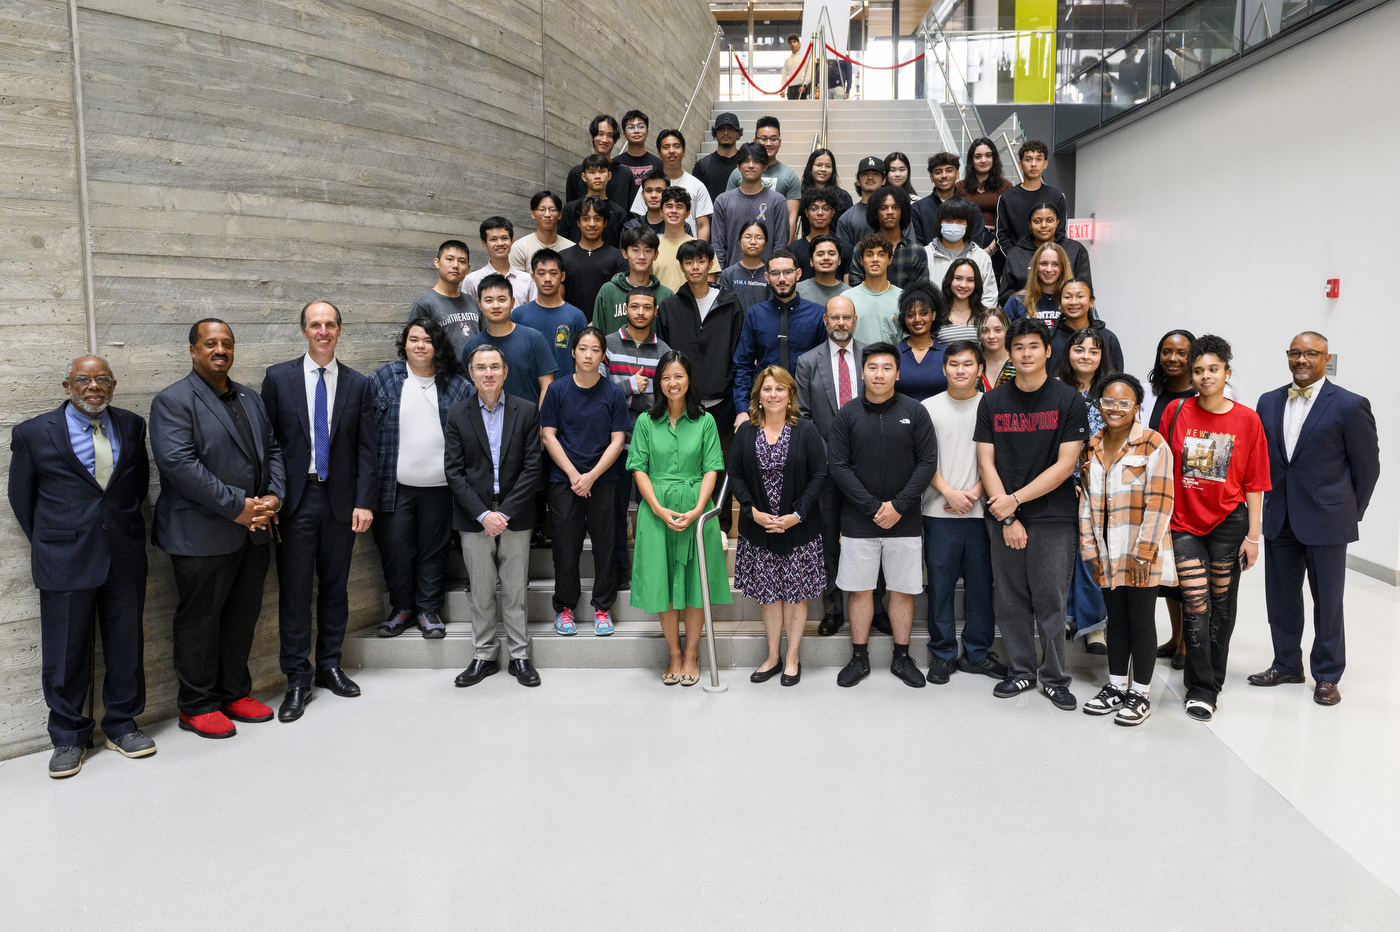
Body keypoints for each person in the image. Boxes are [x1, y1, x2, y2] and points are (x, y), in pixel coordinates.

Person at [8, 356, 153, 776]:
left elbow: (136, 487)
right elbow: (22, 499)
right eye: (84, 380)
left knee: (126, 645)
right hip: (63, 558)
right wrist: (57, 539)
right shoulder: (34, 433)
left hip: (123, 553)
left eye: (103, 379)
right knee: (65, 651)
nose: (94, 386)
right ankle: (69, 737)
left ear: (113, 385)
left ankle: (123, 725)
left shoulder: (131, 425)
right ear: (66, 385)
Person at [150, 319, 285, 738]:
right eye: (210, 344)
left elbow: (274, 449)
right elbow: (179, 465)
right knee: (200, 621)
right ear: (193, 350)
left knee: (242, 616)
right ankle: (196, 705)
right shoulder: (172, 401)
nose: (220, 350)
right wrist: (237, 507)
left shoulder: (250, 397)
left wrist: (275, 496)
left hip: (256, 529)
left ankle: (233, 692)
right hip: (201, 534)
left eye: (227, 343)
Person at [260, 301, 378, 723]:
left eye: (330, 324)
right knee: (294, 591)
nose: (323, 331)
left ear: (340, 331)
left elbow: (367, 449)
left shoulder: (358, 384)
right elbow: (268, 446)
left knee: (335, 587)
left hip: (342, 502)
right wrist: (272, 497)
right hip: (295, 501)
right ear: (304, 331)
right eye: (315, 325)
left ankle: (329, 665)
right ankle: (296, 678)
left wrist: (365, 501)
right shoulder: (278, 378)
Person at [1249, 332, 1379, 706]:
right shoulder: (1269, 400)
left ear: (1326, 358)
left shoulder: (1350, 405)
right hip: (1280, 517)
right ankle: (1286, 663)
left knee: (1328, 601)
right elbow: (1264, 461)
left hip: (1327, 520)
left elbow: (1367, 467)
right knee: (1281, 598)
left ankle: (1327, 674)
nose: (1301, 360)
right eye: (1295, 353)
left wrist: (1349, 513)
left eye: (1310, 353)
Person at [975, 318, 1089, 711]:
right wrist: (1007, 517)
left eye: (1033, 346)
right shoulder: (991, 401)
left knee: (1051, 600)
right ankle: (1021, 669)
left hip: (1053, 516)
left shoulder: (1068, 400)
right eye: (1018, 347)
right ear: (1009, 352)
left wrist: (1015, 502)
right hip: (1003, 515)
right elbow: (986, 463)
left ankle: (1055, 677)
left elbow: (1065, 464)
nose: (1026, 353)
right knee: (1009, 598)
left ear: (1047, 351)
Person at [1159, 334, 1270, 722]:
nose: (1206, 376)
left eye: (1213, 370)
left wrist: (1254, 536)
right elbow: (1162, 470)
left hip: (1229, 523)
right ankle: (1199, 687)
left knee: (1222, 606)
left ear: (1227, 372)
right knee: (1195, 603)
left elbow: (1255, 482)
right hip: (1184, 523)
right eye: (1199, 370)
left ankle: (1212, 682)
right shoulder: (1175, 411)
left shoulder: (1247, 419)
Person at [828, 342, 939, 688]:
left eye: (887, 368)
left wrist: (899, 504)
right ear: (862, 372)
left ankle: (901, 658)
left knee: (903, 591)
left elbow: (927, 462)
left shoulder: (915, 411)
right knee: (859, 591)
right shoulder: (847, 414)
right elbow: (839, 466)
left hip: (904, 521)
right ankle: (859, 658)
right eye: (873, 367)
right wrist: (874, 507)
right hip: (859, 522)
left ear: (897, 372)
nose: (879, 374)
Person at [627, 351, 731, 686]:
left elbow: (712, 468)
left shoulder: (705, 421)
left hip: (696, 510)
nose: (673, 383)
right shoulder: (645, 421)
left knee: (694, 586)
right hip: (656, 511)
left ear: (689, 381)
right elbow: (639, 469)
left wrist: (700, 508)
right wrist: (657, 508)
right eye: (667, 377)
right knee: (663, 584)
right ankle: (674, 652)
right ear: (659, 382)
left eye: (679, 376)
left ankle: (692, 654)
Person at [1079, 374, 1176, 726]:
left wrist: (1143, 553)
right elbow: (1086, 504)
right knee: (1115, 620)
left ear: (1136, 407)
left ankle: (1140, 693)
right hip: (1106, 551)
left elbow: (1161, 502)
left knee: (1140, 620)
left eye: (1124, 403)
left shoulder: (1152, 445)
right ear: (1098, 404)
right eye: (1108, 402)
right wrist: (1090, 550)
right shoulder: (1090, 447)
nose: (1114, 409)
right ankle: (1117, 686)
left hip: (1139, 553)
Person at [444, 344, 544, 688]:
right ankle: (484, 655)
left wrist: (506, 512)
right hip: (474, 516)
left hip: (516, 512)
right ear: (470, 373)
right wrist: (484, 514)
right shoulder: (457, 414)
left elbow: (533, 468)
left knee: (515, 589)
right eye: (481, 367)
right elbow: (454, 472)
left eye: (494, 367)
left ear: (505, 372)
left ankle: (519, 656)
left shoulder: (527, 411)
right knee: (482, 590)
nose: (488, 373)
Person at [368, 318, 472, 641]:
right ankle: (401, 608)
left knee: (434, 550)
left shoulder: (457, 385)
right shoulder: (384, 379)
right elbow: (365, 433)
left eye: (427, 340)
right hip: (393, 487)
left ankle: (428, 610)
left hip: (442, 488)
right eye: (414, 339)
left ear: (437, 344)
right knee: (395, 548)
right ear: (405, 344)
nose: (420, 345)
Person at [1139, 329, 1232, 668]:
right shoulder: (1152, 395)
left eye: (1182, 352)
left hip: (1200, 503)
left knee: (1195, 581)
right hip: (1164, 498)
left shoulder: (1212, 396)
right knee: (1170, 577)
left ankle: (1192, 647)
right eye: (1166, 351)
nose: (1173, 358)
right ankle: (1178, 637)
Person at [732, 366, 827, 686]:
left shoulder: (807, 430)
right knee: (769, 596)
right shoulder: (746, 431)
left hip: (798, 529)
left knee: (796, 595)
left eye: (780, 389)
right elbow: (736, 475)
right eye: (767, 389)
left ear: (790, 395)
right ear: (758, 395)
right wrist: (752, 511)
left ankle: (792, 657)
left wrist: (797, 515)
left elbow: (819, 475)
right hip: (759, 529)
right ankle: (772, 656)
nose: (773, 395)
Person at [920, 341, 1006, 683]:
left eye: (967, 364)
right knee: (940, 587)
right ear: (943, 370)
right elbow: (922, 459)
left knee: (981, 586)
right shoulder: (927, 408)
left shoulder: (994, 405)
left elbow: (1000, 459)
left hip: (982, 511)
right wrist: (950, 493)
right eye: (953, 364)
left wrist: (973, 493)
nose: (960, 370)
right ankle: (942, 654)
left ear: (980, 369)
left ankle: (977, 653)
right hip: (938, 510)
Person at [540, 327, 630, 637]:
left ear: (602, 356)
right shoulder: (557, 391)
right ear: (573, 353)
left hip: (604, 480)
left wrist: (592, 475)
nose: (588, 354)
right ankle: (564, 608)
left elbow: (618, 440)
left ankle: (603, 608)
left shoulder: (614, 393)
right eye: (583, 348)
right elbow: (548, 435)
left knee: (605, 545)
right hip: (564, 481)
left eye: (595, 349)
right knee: (566, 547)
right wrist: (574, 475)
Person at [656, 241, 746, 535]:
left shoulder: (731, 303)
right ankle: (681, 518)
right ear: (681, 266)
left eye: (701, 261)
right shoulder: (670, 305)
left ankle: (718, 525)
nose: (695, 267)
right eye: (689, 262)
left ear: (710, 265)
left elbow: (739, 353)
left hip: (723, 401)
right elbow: (665, 355)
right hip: (681, 401)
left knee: (718, 466)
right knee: (686, 463)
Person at [794, 296, 864, 637]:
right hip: (826, 471)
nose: (840, 323)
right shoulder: (808, 362)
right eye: (834, 317)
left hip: (868, 470)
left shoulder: (872, 357)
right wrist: (832, 460)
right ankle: (834, 608)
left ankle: (875, 605)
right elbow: (804, 417)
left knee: (869, 538)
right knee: (829, 542)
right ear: (825, 320)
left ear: (855, 319)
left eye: (846, 317)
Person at [604, 287, 672, 588]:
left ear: (655, 311)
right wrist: (629, 385)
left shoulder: (665, 352)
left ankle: (653, 572)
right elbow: (598, 393)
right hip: (614, 444)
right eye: (635, 306)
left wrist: (635, 396)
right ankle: (619, 573)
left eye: (647, 307)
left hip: (651, 444)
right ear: (626, 309)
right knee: (616, 512)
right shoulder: (606, 345)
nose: (640, 312)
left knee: (654, 510)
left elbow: (666, 398)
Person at [1054, 326, 1115, 653]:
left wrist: (1092, 482)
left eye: (1093, 351)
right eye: (1079, 350)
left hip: (1098, 487)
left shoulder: (1111, 393)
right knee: (1063, 553)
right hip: (1059, 484)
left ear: (1102, 355)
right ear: (1069, 353)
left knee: (1092, 553)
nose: (1086, 356)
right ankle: (1063, 614)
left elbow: (1117, 440)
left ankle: (1094, 626)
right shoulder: (1054, 389)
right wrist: (1067, 480)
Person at [732, 249, 827, 426]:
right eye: (775, 273)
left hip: (807, 409)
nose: (782, 279)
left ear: (798, 274)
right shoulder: (755, 314)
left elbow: (825, 367)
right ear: (767, 277)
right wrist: (742, 410)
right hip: (765, 406)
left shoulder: (817, 314)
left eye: (788, 272)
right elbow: (743, 365)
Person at [464, 275, 557, 405]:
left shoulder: (534, 339)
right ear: (479, 304)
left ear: (512, 302)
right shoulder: (472, 347)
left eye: (502, 299)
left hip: (529, 423)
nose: (496, 306)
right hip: (487, 422)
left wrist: (540, 422)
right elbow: (472, 391)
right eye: (489, 300)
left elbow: (547, 386)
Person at [511, 248, 590, 378]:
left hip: (565, 390)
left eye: (553, 273)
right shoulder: (518, 315)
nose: (547, 279)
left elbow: (582, 358)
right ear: (532, 277)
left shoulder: (576, 316)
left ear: (562, 276)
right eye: (541, 273)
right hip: (528, 390)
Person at [713, 142, 790, 268]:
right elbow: (718, 246)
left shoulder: (777, 201)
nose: (751, 165)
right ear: (738, 166)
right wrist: (720, 279)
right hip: (730, 278)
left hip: (766, 278)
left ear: (765, 166)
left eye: (756, 161)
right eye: (746, 161)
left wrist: (774, 276)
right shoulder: (723, 201)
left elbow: (780, 245)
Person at [627, 129, 713, 241]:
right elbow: (642, 220)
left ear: (684, 152)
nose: (671, 151)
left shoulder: (697, 186)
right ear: (659, 154)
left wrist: (700, 253)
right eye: (666, 147)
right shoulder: (649, 185)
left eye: (676, 146)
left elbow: (703, 226)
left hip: (687, 252)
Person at [999, 202, 1090, 304]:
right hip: (1025, 313)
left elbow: (1085, 289)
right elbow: (1005, 294)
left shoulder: (1075, 249)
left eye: (1049, 220)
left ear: (1057, 223)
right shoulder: (1016, 253)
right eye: (1037, 221)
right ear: (1030, 225)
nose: (1043, 225)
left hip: (1066, 312)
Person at [724, 117, 802, 234]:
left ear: (780, 142)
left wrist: (784, 250)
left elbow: (791, 218)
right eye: (763, 139)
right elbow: (728, 211)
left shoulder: (790, 176)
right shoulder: (738, 173)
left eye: (773, 139)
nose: (769, 143)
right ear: (755, 141)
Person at [592, 224, 674, 334]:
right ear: (624, 253)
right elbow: (597, 335)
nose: (641, 256)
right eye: (635, 250)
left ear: (656, 255)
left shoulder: (666, 295)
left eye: (648, 251)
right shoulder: (608, 291)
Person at [994, 140, 1067, 259]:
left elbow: (1060, 234)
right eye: (1028, 159)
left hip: (1049, 263)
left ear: (1045, 163)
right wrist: (1015, 260)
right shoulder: (1006, 198)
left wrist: (1048, 259)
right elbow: (1001, 237)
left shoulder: (1057, 196)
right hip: (1016, 264)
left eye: (1038, 159)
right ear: (1020, 164)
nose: (1033, 164)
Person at [410, 240, 480, 359]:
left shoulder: (474, 302)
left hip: (475, 374)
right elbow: (414, 347)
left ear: (468, 268)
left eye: (461, 261)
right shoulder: (425, 304)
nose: (455, 265)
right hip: (443, 375)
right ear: (437, 262)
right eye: (449, 259)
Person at [558, 196, 627, 318]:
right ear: (578, 222)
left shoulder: (618, 258)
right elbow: (558, 300)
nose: (591, 224)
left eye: (597, 219)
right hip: (571, 325)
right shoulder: (562, 257)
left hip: (606, 328)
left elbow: (619, 300)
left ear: (605, 223)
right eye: (586, 219)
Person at [848, 185, 928, 289]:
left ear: (902, 211)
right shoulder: (862, 248)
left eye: (895, 207)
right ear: (875, 212)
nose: (890, 212)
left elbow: (922, 292)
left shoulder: (917, 251)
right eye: (884, 208)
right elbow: (855, 289)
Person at [927, 201, 996, 313]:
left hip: (972, 325)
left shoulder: (981, 257)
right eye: (948, 220)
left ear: (967, 225)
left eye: (960, 221)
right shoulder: (926, 255)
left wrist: (975, 323)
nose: (954, 225)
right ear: (939, 223)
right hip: (934, 323)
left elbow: (989, 298)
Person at [652, 185, 719, 293]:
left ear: (687, 213)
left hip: (693, 307)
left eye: (679, 207)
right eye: (669, 206)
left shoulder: (702, 248)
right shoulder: (651, 247)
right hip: (659, 308)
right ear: (661, 212)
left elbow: (709, 287)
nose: (674, 211)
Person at [912, 152, 987, 247]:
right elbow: (917, 246)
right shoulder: (917, 209)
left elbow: (975, 245)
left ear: (957, 174)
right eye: (938, 172)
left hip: (964, 261)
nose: (944, 175)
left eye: (949, 171)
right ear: (931, 177)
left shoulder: (971, 209)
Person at [956, 137, 1014, 257]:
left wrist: (991, 249)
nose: (983, 160)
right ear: (972, 160)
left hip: (997, 243)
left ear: (994, 159)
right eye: (978, 156)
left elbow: (1008, 222)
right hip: (967, 242)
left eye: (988, 155)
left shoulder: (1005, 186)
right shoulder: (960, 187)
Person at [559, 155, 632, 249]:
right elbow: (562, 242)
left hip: (609, 262)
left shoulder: (619, 212)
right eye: (592, 172)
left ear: (609, 175)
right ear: (584, 177)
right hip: (574, 261)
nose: (597, 176)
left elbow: (622, 248)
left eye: (602, 172)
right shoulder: (570, 208)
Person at [1050, 278, 1122, 371]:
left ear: (1091, 302)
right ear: (1060, 303)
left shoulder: (1108, 337)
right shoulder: (1048, 337)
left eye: (1080, 296)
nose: (1073, 302)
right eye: (1067, 297)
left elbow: (1117, 379)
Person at [464, 216, 537, 306]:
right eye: (493, 239)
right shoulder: (472, 280)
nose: (500, 243)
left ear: (512, 240)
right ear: (484, 243)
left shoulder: (529, 280)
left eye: (504, 238)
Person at [894, 283, 948, 402]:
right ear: (904, 319)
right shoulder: (893, 354)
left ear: (933, 315)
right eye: (911, 315)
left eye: (923, 313)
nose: (917, 319)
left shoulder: (948, 353)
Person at [845, 234, 902, 345]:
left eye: (881, 255)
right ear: (861, 260)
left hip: (892, 360)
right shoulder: (847, 298)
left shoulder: (902, 297)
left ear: (890, 259)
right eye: (869, 255)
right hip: (857, 361)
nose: (875, 259)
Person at [789, 188, 853, 283]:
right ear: (806, 212)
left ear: (833, 212)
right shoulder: (793, 250)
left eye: (825, 208)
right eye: (814, 208)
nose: (820, 213)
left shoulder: (846, 248)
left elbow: (848, 289)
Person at [564, 114, 630, 205]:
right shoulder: (576, 173)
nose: (604, 139)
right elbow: (571, 210)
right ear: (592, 136)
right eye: (600, 134)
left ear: (615, 140)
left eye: (610, 135)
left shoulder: (625, 175)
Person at [1004, 241, 1070, 325]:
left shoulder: (1072, 302)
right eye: (1044, 263)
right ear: (1035, 267)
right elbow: (1004, 335)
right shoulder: (1016, 301)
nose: (1049, 269)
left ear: (1063, 268)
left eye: (1055, 264)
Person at [509, 191, 575, 274]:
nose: (547, 214)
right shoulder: (520, 248)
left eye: (552, 210)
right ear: (532, 213)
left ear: (560, 214)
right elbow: (518, 283)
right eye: (542, 210)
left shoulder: (571, 248)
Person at [716, 220, 772, 311]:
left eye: (759, 238)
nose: (753, 242)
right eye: (747, 237)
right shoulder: (728, 274)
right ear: (739, 241)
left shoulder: (771, 274)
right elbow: (725, 309)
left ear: (765, 243)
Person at [612, 109, 665, 204]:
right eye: (630, 127)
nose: (636, 131)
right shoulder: (615, 164)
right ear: (624, 134)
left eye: (640, 126)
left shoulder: (659, 164)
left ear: (647, 132)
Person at [835, 156, 888, 250]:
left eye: (875, 174)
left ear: (883, 180)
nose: (870, 177)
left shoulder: (893, 213)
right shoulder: (846, 219)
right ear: (858, 181)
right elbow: (844, 255)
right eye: (865, 174)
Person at [692, 112, 744, 202]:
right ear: (715, 133)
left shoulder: (746, 163)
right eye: (721, 129)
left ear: (738, 133)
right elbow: (696, 198)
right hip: (712, 215)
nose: (726, 133)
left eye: (730, 129)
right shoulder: (702, 165)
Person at [935, 259, 986, 345]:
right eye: (958, 278)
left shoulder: (984, 315)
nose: (963, 285)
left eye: (970, 280)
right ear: (950, 280)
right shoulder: (937, 315)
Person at [800, 149, 854, 230]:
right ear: (810, 168)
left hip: (836, 242)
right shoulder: (800, 194)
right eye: (818, 165)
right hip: (809, 242)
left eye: (828, 166)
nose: (823, 169)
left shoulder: (843, 196)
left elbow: (849, 228)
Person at [628, 169, 691, 237]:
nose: (654, 195)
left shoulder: (682, 227)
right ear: (643, 194)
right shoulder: (631, 227)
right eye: (649, 191)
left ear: (667, 193)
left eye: (659, 191)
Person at [979, 308, 1015, 390]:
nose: (991, 336)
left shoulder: (1017, 363)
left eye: (998, 330)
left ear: (1007, 331)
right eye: (985, 331)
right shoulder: (973, 364)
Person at [781, 32, 812, 99]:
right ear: (789, 45)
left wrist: (804, 85)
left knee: (801, 109)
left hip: (801, 88)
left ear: (799, 43)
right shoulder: (787, 61)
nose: (792, 44)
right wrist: (782, 89)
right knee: (790, 109)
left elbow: (809, 72)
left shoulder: (805, 57)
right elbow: (784, 75)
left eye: (794, 42)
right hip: (790, 88)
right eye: (790, 43)